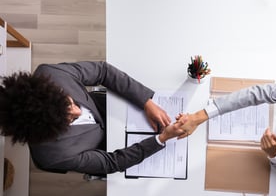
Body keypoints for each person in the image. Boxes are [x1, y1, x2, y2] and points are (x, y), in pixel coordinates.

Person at [0, 61, 185, 175]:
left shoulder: (52, 74)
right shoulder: (52, 155)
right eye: (70, 120)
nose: (78, 112)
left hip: (115, 107)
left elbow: (103, 71)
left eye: (69, 103)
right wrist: (161, 139)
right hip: (111, 147)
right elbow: (112, 162)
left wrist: (146, 101)